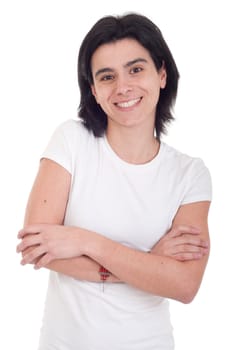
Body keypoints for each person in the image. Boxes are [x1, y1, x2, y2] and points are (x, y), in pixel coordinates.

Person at [16, 13, 212, 350]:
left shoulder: (189, 174)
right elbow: (36, 247)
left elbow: (183, 285)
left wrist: (84, 241)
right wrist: (150, 263)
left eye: (136, 69)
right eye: (107, 77)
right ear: (93, 90)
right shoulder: (71, 142)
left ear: (162, 74)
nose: (123, 87)